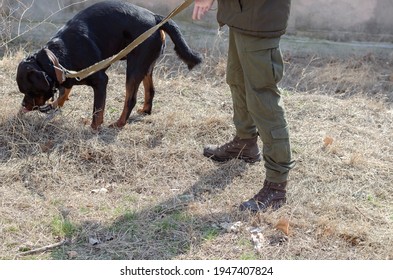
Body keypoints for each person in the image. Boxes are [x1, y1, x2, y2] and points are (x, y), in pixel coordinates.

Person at [192, 0, 296, 212]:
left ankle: (276, 185)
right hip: (240, 14)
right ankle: (245, 143)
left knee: (263, 99)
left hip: (260, 17)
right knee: (238, 81)